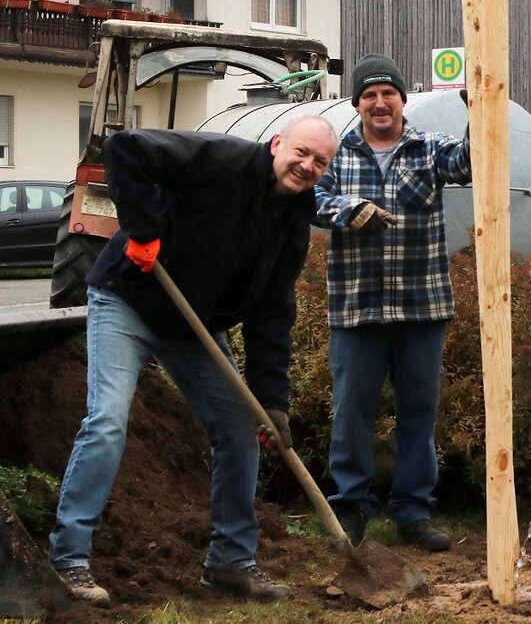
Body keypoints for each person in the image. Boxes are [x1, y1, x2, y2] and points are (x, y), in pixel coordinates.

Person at [48, 116, 339, 607]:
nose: (308, 166)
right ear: (276, 144)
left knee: (241, 426)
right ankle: (68, 561)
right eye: (302, 153)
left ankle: (230, 563)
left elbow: (272, 318)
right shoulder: (222, 160)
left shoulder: (292, 227)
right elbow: (124, 148)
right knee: (108, 422)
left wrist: (273, 404)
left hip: (193, 327)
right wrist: (143, 228)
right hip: (131, 300)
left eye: (320, 162)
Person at [314, 54, 471, 552]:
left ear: (403, 100)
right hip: (356, 309)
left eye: (388, 94)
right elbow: (307, 195)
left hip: (421, 307)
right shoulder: (336, 154)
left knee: (418, 414)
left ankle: (412, 512)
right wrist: (347, 209)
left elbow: (472, 160)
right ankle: (350, 508)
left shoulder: (429, 148)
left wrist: (480, 109)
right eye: (369, 95)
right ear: (357, 103)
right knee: (352, 413)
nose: (380, 103)